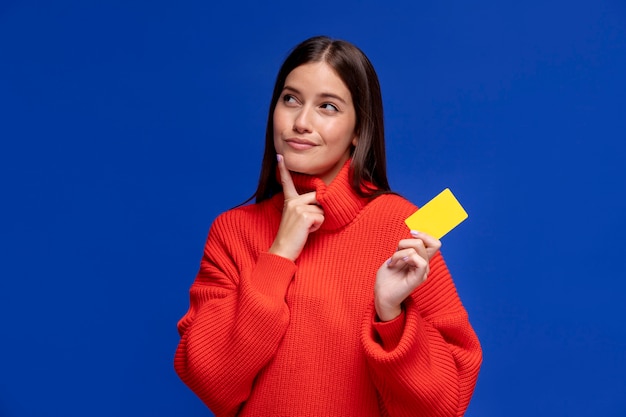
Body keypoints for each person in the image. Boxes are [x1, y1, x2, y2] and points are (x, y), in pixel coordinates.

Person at [174, 35, 482, 417]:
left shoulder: (400, 228)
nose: (301, 122)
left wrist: (391, 316)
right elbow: (210, 380)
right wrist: (278, 256)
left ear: (358, 131)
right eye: (290, 99)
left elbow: (442, 407)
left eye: (328, 107)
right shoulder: (233, 231)